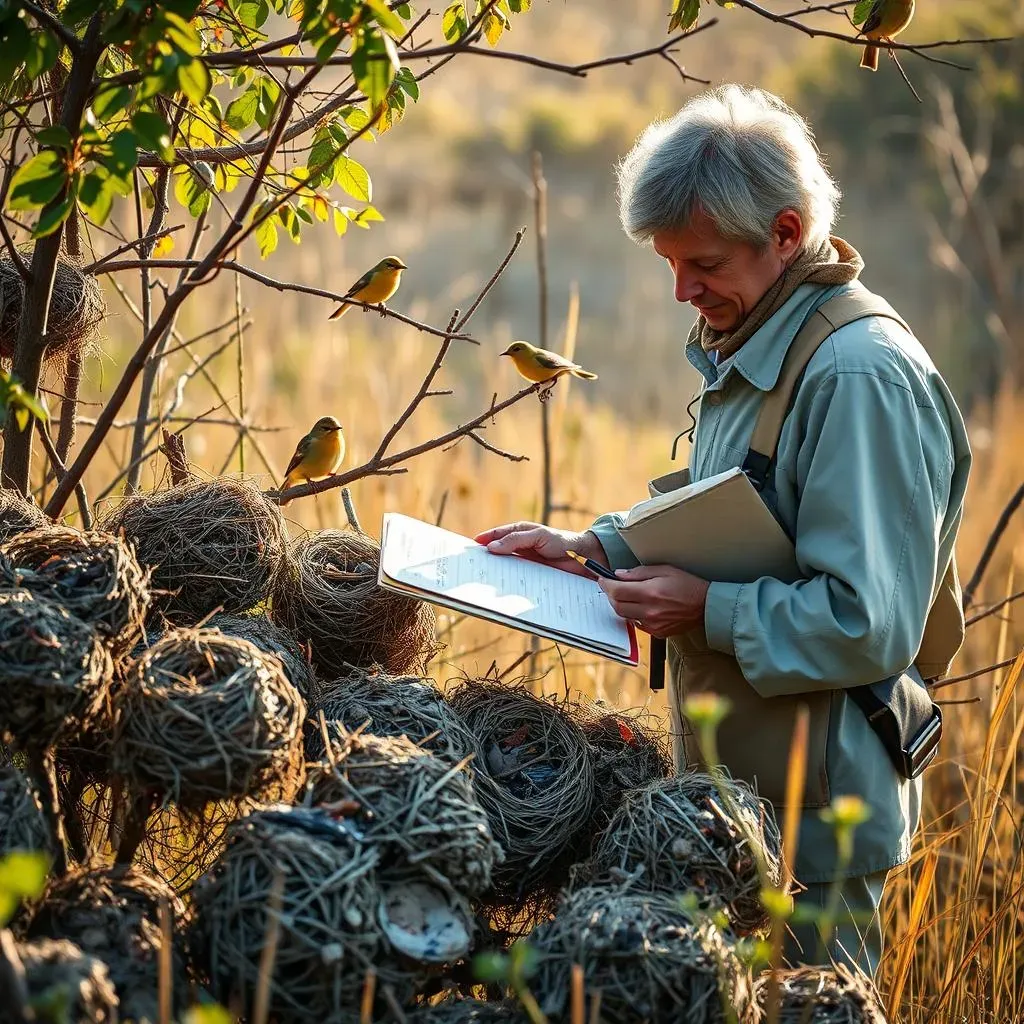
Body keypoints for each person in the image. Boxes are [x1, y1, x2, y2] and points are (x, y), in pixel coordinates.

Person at [476, 84, 972, 977]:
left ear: (786, 234)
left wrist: (706, 612)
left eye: (701, 263)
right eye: (669, 264)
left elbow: (872, 622)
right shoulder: (757, 338)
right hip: (737, 806)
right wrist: (593, 550)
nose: (680, 290)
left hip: (815, 830)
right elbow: (733, 517)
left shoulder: (859, 377)